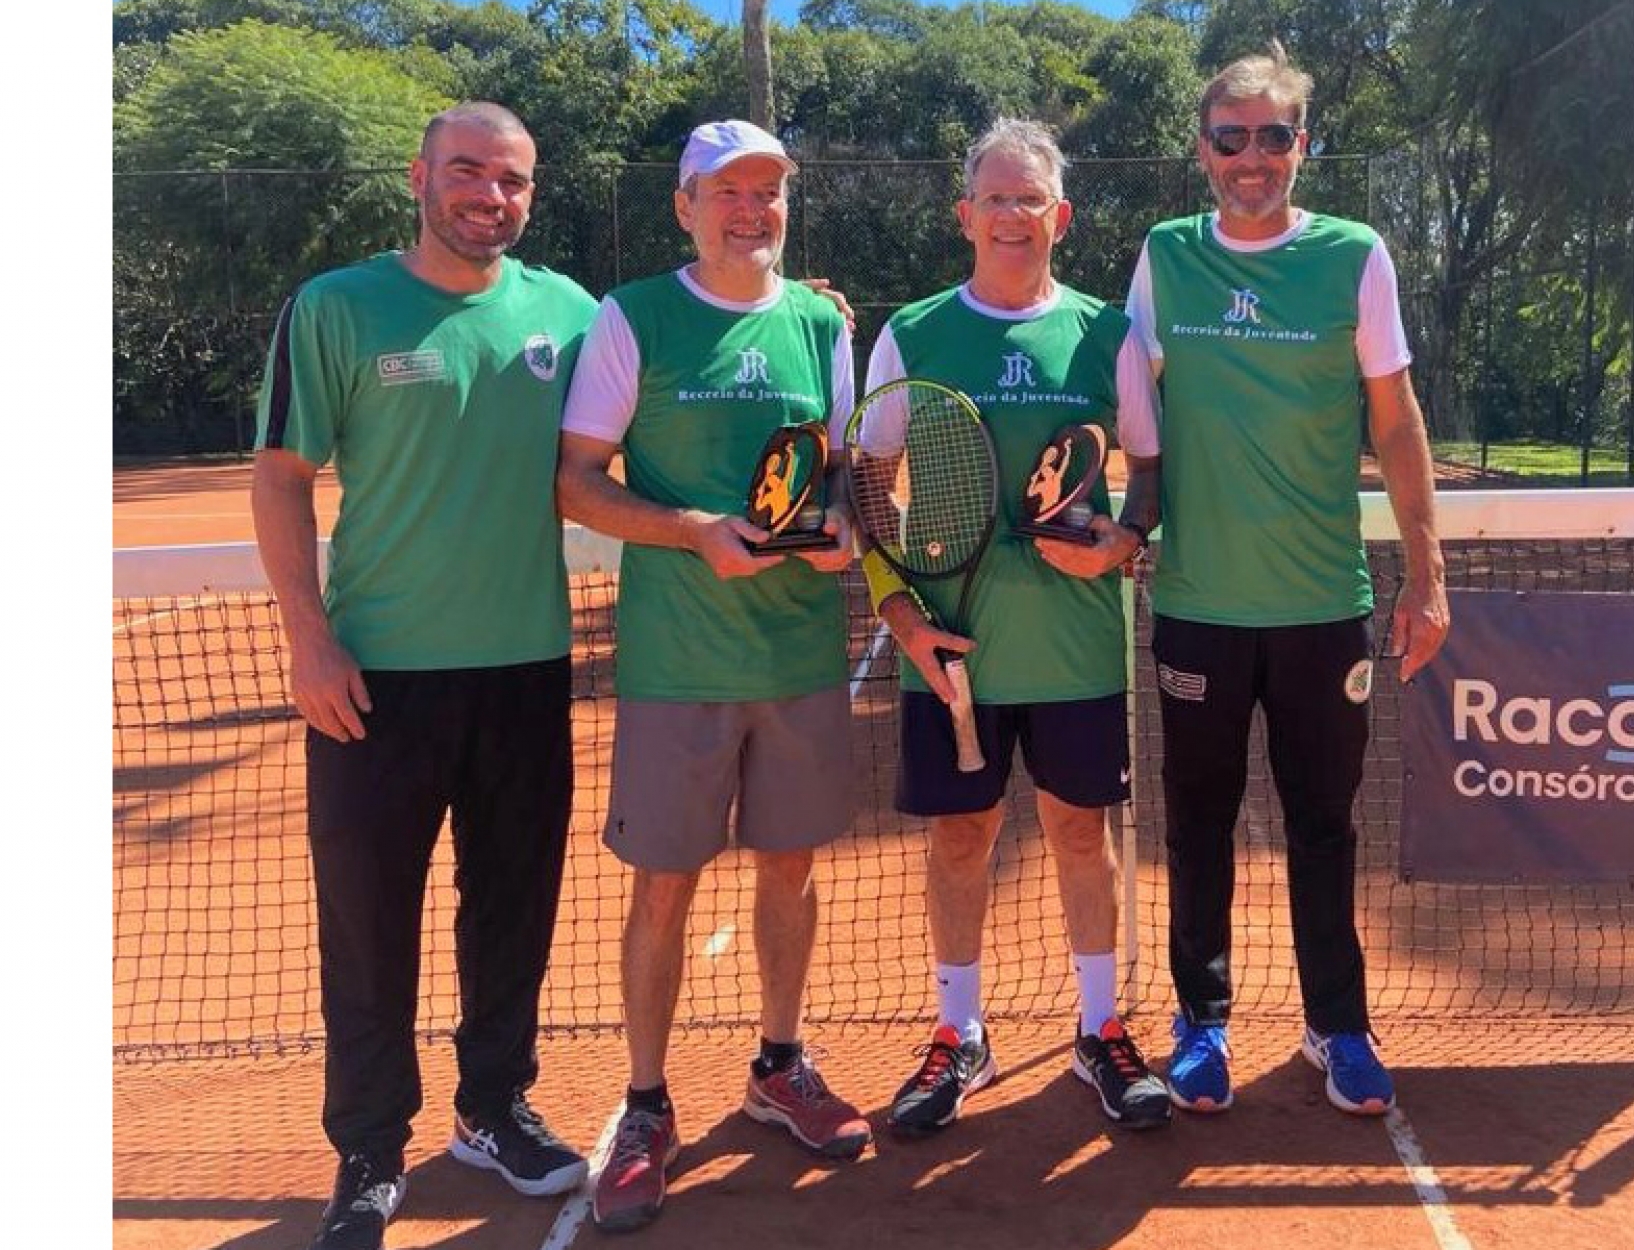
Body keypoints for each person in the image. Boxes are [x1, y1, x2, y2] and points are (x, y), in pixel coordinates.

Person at [250, 102, 598, 1250]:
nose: (486, 196)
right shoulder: (335, 307)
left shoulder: (569, 313)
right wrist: (309, 637)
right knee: (367, 925)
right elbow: (283, 475)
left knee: (513, 913)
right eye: (466, 173)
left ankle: (492, 1109)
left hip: (524, 672)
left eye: (508, 181)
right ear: (420, 177)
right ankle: (366, 1147)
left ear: (528, 195)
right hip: (374, 683)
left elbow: (651, 408)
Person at [1123, 44, 1450, 1117]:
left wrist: (1426, 573)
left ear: (1299, 144)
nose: (1251, 157)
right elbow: (1126, 403)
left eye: (1273, 136)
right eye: (1231, 138)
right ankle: (1201, 1024)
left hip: (1322, 608)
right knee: (1197, 828)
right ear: (1202, 149)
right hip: (1197, 611)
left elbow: (1394, 421)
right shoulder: (1164, 256)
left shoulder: (1353, 255)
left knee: (1324, 824)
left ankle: (1335, 1025)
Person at [555, 119, 866, 1235]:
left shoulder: (819, 324)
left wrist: (837, 531)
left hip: (796, 655)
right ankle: (645, 1104)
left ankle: (778, 1063)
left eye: (770, 190)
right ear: (685, 205)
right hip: (678, 663)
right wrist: (691, 529)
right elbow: (576, 483)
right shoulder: (630, 316)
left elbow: (834, 480)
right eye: (728, 191)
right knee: (664, 887)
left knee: (789, 868)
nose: (752, 209)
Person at [855, 117, 1171, 1135]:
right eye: (992, 197)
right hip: (951, 652)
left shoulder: (1106, 336)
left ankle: (1096, 1028)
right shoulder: (911, 331)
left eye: (1027, 199)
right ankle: (958, 1033)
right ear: (964, 216)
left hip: (1075, 644)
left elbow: (1148, 472)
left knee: (1083, 832)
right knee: (960, 836)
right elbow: (865, 480)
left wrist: (1122, 541)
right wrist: (901, 615)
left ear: (1059, 217)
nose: (1009, 215)